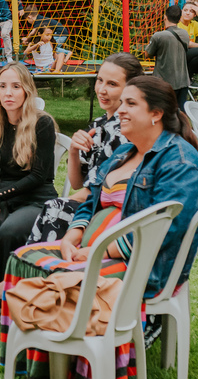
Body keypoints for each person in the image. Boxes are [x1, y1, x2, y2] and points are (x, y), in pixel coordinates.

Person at [0, 75, 198, 379]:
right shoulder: (126, 152)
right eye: (121, 102)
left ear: (156, 114)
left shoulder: (179, 163)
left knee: (74, 276)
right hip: (93, 246)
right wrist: (73, 236)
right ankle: (44, 369)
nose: (120, 110)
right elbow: (90, 199)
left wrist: (99, 250)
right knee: (23, 258)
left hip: (142, 264)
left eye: (131, 103)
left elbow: (163, 230)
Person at [31, 53, 144, 244]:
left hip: (106, 214)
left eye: (112, 84)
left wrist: (62, 203)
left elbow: (98, 191)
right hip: (91, 207)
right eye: (100, 80)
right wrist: (74, 151)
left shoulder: (124, 130)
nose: (102, 90)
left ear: (131, 89)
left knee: (54, 209)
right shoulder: (99, 124)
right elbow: (78, 183)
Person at [0, 62, 58, 306]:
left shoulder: (42, 123)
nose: (8, 93)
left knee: (11, 230)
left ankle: (6, 290)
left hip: (37, 197)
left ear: (27, 91)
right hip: (4, 196)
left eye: (16, 87)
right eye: (3, 86)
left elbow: (38, 176)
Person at [145, 4, 191, 102]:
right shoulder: (185, 34)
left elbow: (147, 54)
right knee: (180, 109)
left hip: (164, 82)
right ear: (179, 19)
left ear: (165, 17)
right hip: (183, 81)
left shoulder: (159, 36)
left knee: (162, 109)